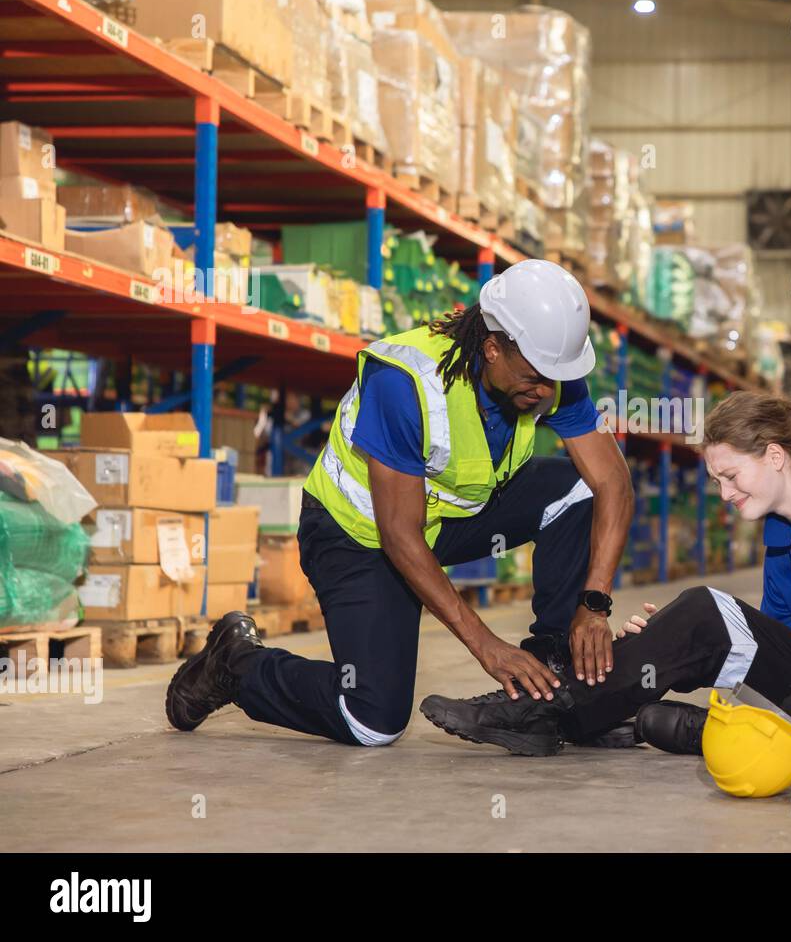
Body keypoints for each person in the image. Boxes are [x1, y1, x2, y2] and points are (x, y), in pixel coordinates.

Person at [166, 259, 634, 747]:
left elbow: (613, 485)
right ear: (493, 347)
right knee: (372, 721)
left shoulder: (547, 371)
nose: (545, 391)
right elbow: (399, 534)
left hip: (447, 519)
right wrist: (487, 647)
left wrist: (594, 605)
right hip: (357, 533)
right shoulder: (406, 382)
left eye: (554, 378)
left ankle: (552, 687)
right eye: (535, 377)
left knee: (576, 487)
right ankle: (235, 663)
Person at [419, 390, 791, 768]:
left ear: (775, 456)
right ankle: (546, 711)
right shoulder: (780, 536)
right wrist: (669, 638)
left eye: (731, 475)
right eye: (716, 479)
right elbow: (763, 647)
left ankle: (690, 728)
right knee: (703, 612)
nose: (725, 493)